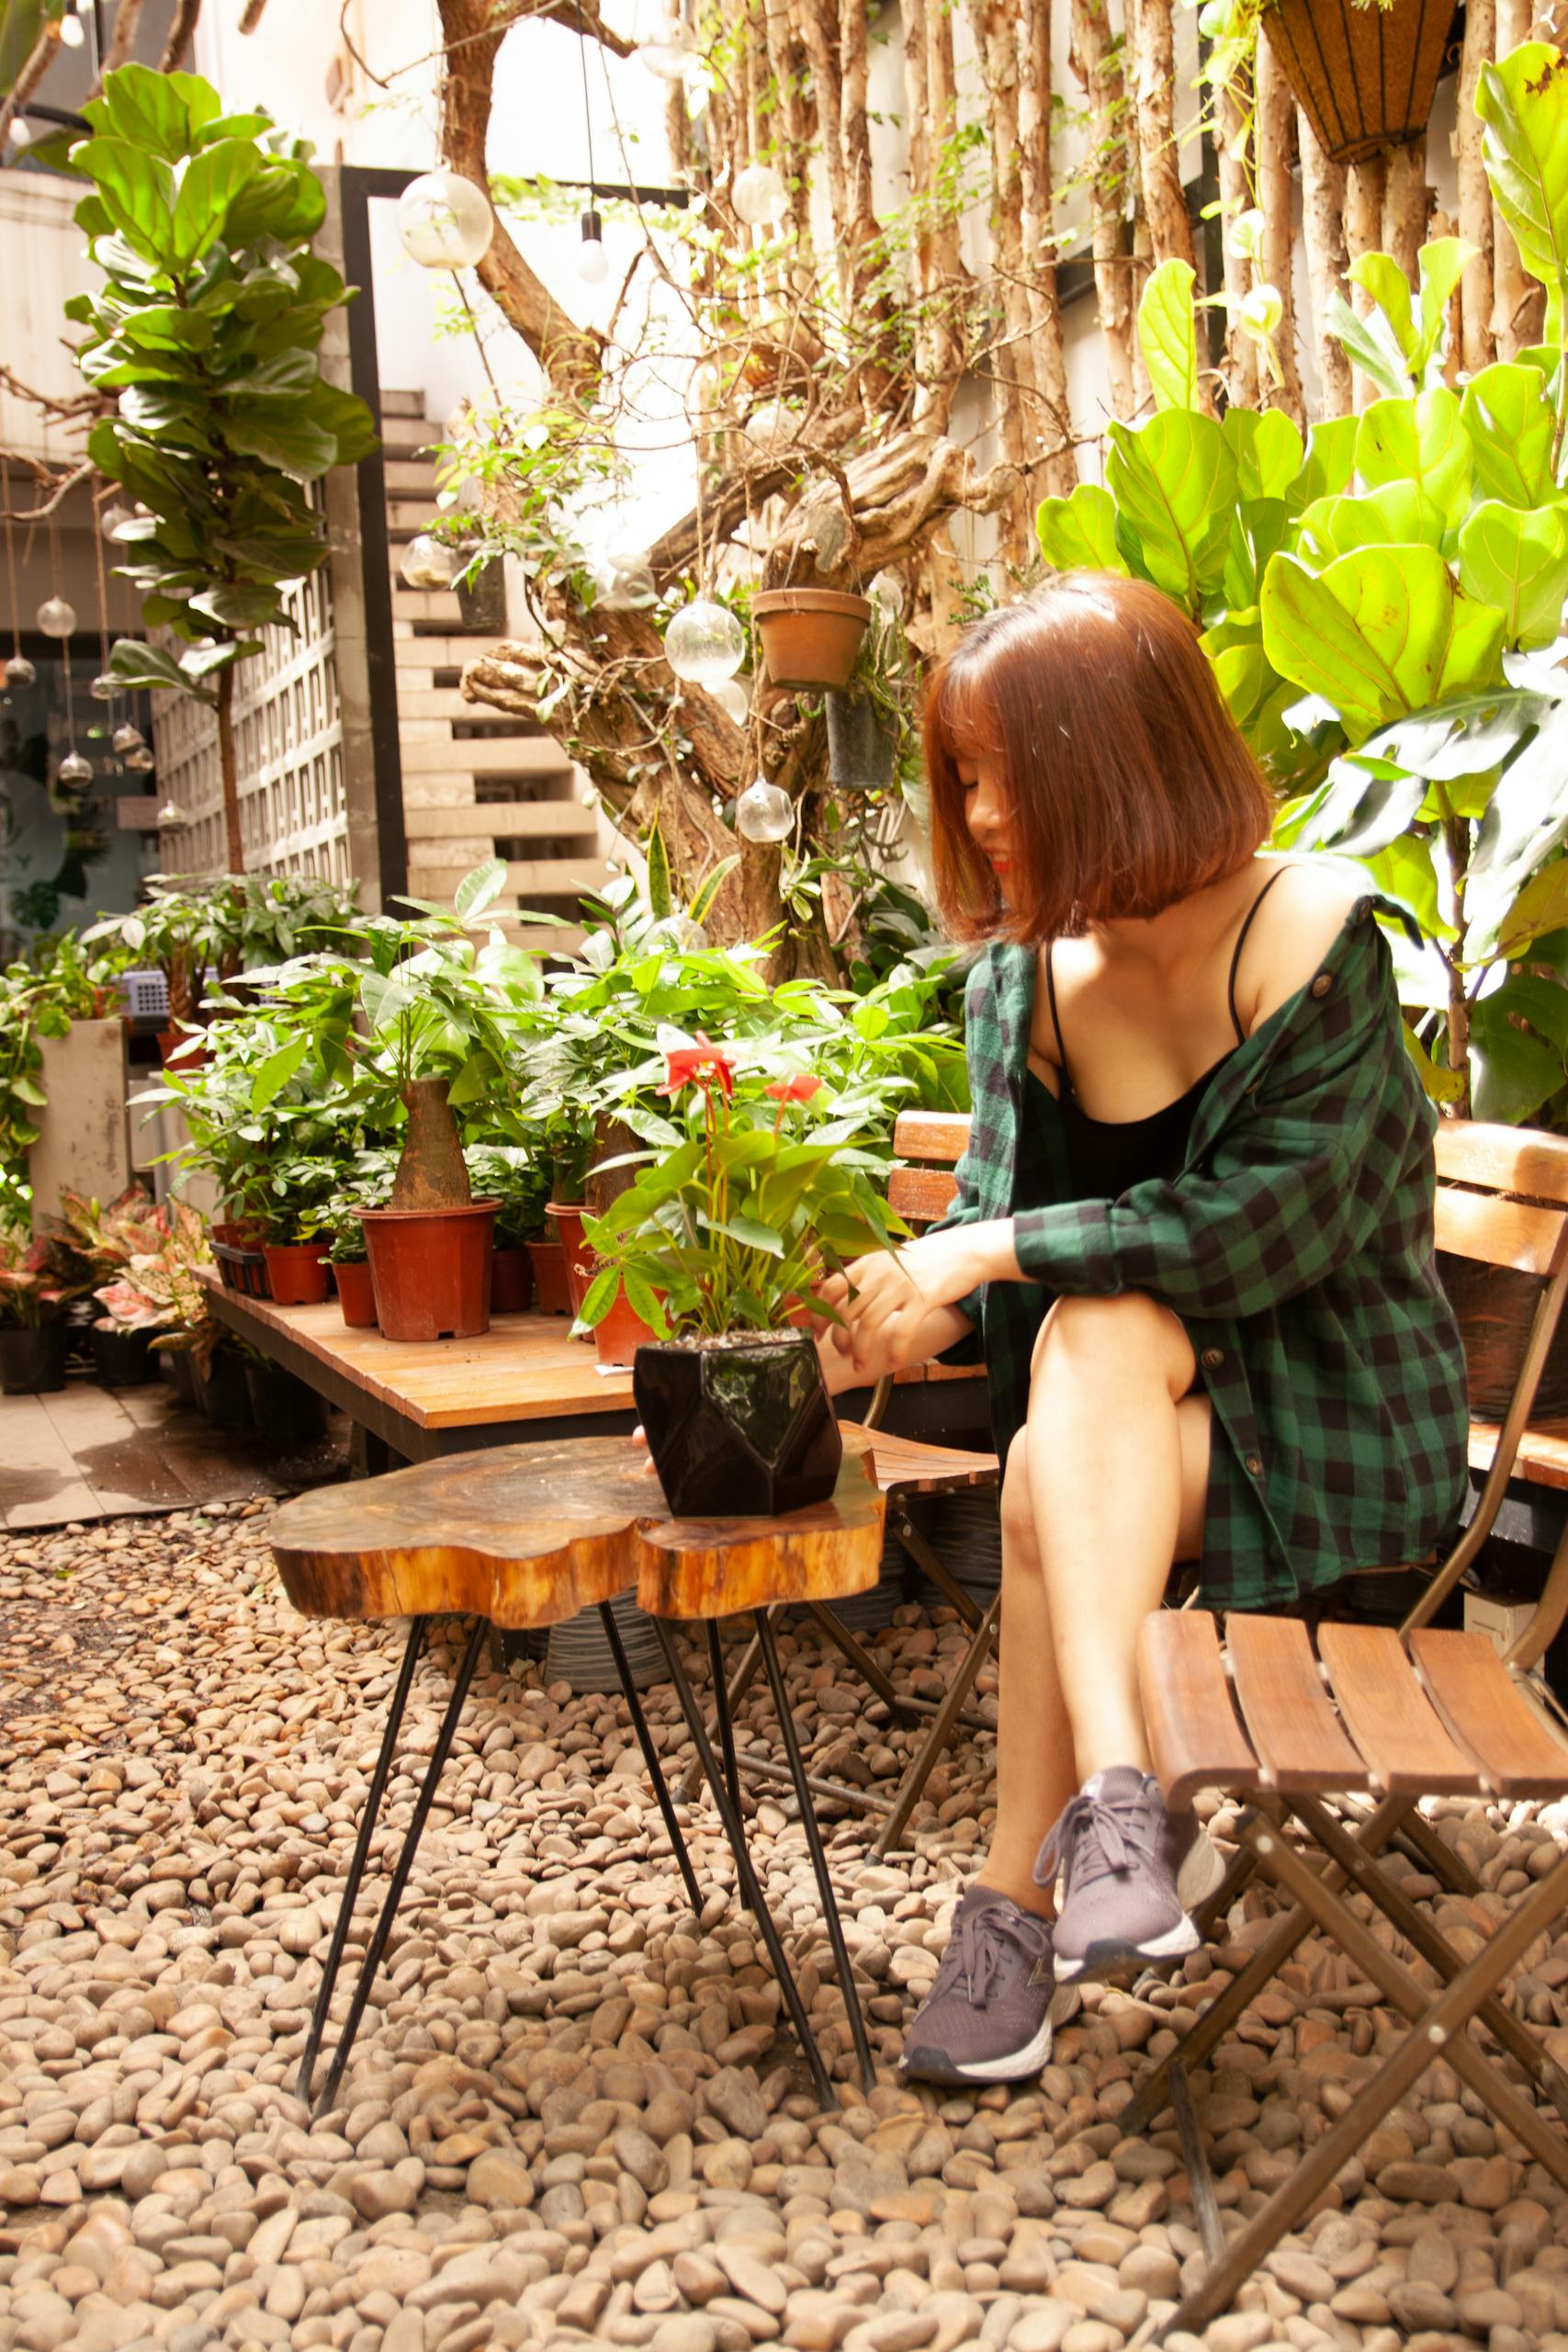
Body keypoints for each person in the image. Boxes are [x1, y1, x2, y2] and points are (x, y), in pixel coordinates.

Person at [811, 573, 1470, 2089]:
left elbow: (1252, 1237)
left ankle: (1015, 1897)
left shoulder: (1313, 937)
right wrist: (905, 1319)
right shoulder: (1025, 978)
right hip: (1124, 1436)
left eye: (1007, 775)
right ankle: (1120, 1808)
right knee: (1084, 1369)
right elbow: (1007, 1238)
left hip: (1332, 1426)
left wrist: (983, 1251)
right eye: (964, 776)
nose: (981, 814)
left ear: (1116, 760)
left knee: (1068, 1414)